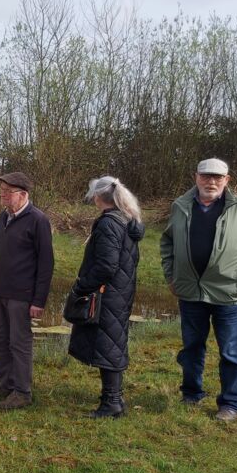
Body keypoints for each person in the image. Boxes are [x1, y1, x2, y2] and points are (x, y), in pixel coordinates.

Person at [160, 158, 237, 422]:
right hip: (191, 292)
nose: (211, 182)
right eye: (205, 176)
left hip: (229, 294)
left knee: (231, 353)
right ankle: (191, 394)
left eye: (217, 177)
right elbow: (167, 242)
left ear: (227, 180)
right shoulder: (180, 206)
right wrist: (172, 276)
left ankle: (230, 405)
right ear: (196, 177)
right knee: (191, 348)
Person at [67, 177, 145, 418]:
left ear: (98, 197)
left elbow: (106, 266)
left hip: (108, 293)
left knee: (108, 346)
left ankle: (112, 402)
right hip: (119, 292)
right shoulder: (126, 219)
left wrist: (81, 287)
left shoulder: (108, 223)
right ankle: (113, 399)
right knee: (112, 343)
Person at [0, 171, 53, 410]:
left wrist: (38, 300)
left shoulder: (38, 220)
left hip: (21, 295)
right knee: (0, 340)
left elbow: (46, 264)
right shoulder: (4, 217)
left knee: (19, 343)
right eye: (2, 191)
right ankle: (6, 383)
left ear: (23, 195)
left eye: (8, 192)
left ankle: (22, 391)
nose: (3, 195)